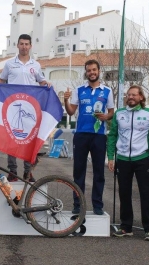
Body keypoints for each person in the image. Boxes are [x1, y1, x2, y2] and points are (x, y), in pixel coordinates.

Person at [0, 34, 50, 182]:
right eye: (21, 44)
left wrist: (47, 85)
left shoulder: (36, 65)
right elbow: (2, 80)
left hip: (29, 107)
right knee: (12, 139)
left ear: (30, 46)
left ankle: (28, 172)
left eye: (26, 44)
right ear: (17, 45)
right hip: (12, 106)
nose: (24, 46)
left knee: (28, 140)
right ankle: (13, 171)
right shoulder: (10, 64)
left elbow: (41, 81)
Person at [64, 59, 114, 215]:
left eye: (94, 70)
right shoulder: (79, 90)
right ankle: (78, 204)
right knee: (79, 172)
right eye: (89, 70)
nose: (92, 72)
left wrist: (106, 117)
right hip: (81, 134)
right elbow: (71, 112)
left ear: (99, 71)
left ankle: (97, 205)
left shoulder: (107, 91)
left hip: (99, 136)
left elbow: (111, 111)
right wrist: (65, 99)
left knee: (99, 172)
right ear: (86, 72)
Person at [107, 85, 149, 240]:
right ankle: (126, 226)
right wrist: (110, 157)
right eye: (128, 95)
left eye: (134, 95)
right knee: (124, 193)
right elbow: (112, 135)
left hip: (142, 158)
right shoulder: (119, 114)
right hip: (122, 159)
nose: (130, 97)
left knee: (146, 194)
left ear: (141, 97)